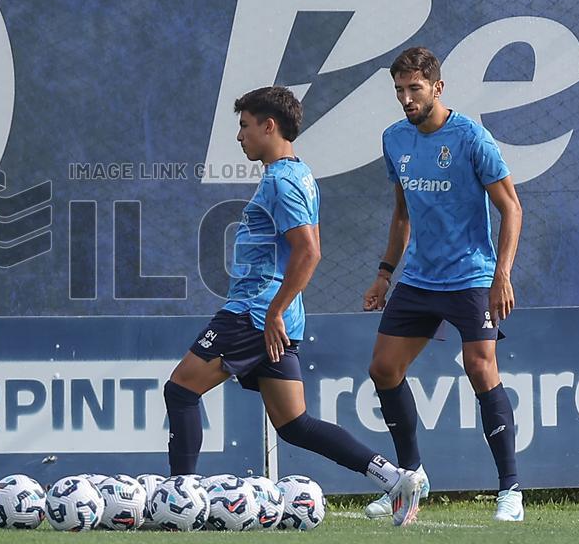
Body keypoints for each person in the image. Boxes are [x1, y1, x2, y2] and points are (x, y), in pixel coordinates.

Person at [164, 86, 424, 527]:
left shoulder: (282, 181)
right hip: (271, 317)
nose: (239, 136)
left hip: (253, 313)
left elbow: (308, 251)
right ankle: (395, 477)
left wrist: (274, 311)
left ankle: (179, 502)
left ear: (269, 126)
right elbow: (308, 248)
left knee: (181, 389)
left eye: (245, 126)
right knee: (294, 424)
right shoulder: (298, 174)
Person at [362, 47, 524, 521]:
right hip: (418, 277)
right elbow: (402, 213)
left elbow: (511, 208)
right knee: (383, 369)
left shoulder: (472, 137)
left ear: (438, 87)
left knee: (479, 366)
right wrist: (385, 273)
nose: (406, 98)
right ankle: (411, 477)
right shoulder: (395, 139)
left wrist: (502, 275)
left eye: (414, 89)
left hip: (472, 276)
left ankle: (510, 491)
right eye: (399, 90)